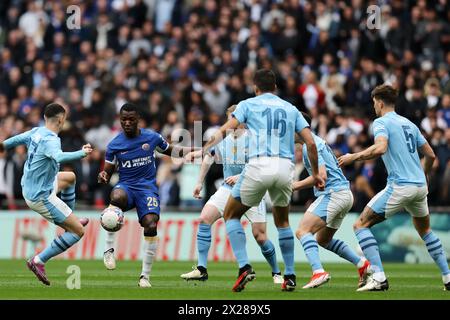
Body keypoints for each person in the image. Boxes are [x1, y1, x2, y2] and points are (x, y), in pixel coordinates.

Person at [187, 69, 324, 292]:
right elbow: (310, 142)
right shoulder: (291, 108)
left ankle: (244, 267)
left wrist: (202, 149)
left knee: (231, 215)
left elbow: (224, 130)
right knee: (282, 223)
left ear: (255, 88)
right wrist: (316, 174)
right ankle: (289, 275)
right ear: (276, 88)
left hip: (259, 165)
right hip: (285, 167)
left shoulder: (247, 104)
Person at [338, 84, 450, 291]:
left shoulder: (381, 122)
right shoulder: (409, 124)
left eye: (374, 103)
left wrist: (354, 156)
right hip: (419, 187)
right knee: (425, 231)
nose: (374, 107)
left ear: (380, 102)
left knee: (360, 225)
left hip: (400, 186)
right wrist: (423, 175)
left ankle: (379, 277)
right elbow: (431, 154)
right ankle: (448, 277)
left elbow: (381, 148)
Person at [181, 105, 283, 284]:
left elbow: (262, 165)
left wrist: (241, 175)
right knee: (205, 218)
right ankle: (201, 268)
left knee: (260, 236)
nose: (232, 123)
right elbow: (208, 156)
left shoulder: (254, 139)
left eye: (236, 119)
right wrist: (199, 182)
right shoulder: (223, 139)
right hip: (228, 189)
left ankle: (276, 272)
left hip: (252, 189)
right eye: (230, 119)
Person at [98, 102, 196, 288]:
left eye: (131, 119)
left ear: (138, 120)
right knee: (116, 198)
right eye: (123, 119)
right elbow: (107, 172)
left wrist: (195, 151)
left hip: (147, 189)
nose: (127, 123)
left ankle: (144, 276)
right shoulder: (114, 145)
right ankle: (109, 249)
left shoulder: (152, 137)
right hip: (126, 186)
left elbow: (173, 151)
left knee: (150, 225)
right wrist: (103, 175)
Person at [0, 102, 92, 286]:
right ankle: (38, 261)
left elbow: (13, 141)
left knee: (70, 177)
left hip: (34, 185)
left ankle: (69, 218)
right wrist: (81, 153)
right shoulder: (51, 140)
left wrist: (1, 146)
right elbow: (59, 157)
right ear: (61, 119)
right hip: (40, 197)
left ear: (44, 118)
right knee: (78, 231)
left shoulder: (36, 132)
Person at [293, 112, 370, 289]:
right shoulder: (316, 141)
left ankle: (318, 271)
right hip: (344, 194)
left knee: (302, 231)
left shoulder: (309, 146)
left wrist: (294, 186)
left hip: (334, 194)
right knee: (324, 239)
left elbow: (322, 176)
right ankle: (361, 264)